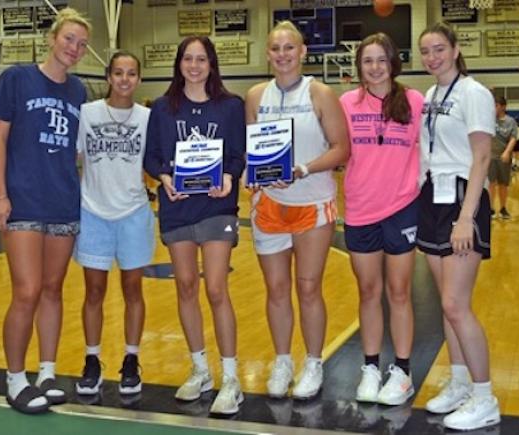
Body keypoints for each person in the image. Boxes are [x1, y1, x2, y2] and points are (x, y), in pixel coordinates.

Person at [0, 8, 90, 414]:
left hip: (63, 201)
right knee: (26, 291)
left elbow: (80, 149)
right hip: (24, 200)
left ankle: (47, 372)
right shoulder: (17, 78)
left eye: (82, 44)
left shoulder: (80, 91)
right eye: (69, 39)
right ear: (52, 38)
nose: (75, 49)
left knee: (52, 290)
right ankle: (16, 378)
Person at [245, 21, 349, 400]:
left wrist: (303, 168)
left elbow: (341, 149)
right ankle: (283, 360)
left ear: (303, 52)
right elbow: (253, 149)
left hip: (311, 202)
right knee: (275, 289)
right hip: (269, 204)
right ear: (268, 53)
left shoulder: (320, 93)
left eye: (290, 48)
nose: (283, 54)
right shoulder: (255, 95)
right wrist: (252, 176)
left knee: (308, 288)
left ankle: (313, 362)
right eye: (276, 48)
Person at [144, 36, 245, 415]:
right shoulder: (162, 108)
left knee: (216, 288)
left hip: (217, 207)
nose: (195, 65)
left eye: (202, 59)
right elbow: (152, 156)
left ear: (212, 64)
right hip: (177, 208)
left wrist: (231, 177)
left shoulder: (230, 106)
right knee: (186, 286)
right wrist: (164, 177)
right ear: (179, 63)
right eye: (188, 58)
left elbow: (238, 154)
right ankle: (201, 369)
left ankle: (231, 378)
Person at [418, 22, 500, 431]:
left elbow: (482, 157)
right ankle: (460, 382)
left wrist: (466, 216)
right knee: (446, 307)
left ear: (454, 49)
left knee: (455, 304)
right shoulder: (431, 96)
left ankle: (485, 397)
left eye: (438, 49)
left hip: (463, 198)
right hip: (433, 197)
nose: (432, 57)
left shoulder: (474, 93)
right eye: (425, 51)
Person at [339, 33, 423, 406]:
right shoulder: (346, 103)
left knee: (399, 292)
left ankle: (402, 372)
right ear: (359, 65)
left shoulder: (414, 101)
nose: (374, 67)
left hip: (402, 207)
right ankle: (371, 367)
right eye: (367, 60)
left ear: (393, 63)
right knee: (368, 292)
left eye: (381, 60)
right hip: (360, 209)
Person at [74, 51, 154, 397]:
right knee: (94, 291)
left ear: (138, 79)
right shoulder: (87, 113)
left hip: (134, 213)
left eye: (131, 73)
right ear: (109, 76)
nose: (124, 79)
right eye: (119, 72)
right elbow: (74, 157)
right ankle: (92, 359)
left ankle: (131, 359)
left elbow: (157, 162)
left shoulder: (149, 118)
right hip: (93, 213)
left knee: (133, 290)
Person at [488, 95, 518, 220]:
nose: (493, 108)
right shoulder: (488, 119)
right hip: (490, 156)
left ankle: (503, 208)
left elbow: (513, 138)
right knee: (491, 183)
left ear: (503, 107)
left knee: (503, 184)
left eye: (496, 105)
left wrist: (507, 152)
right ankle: (490, 208)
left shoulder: (510, 121)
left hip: (503, 157)